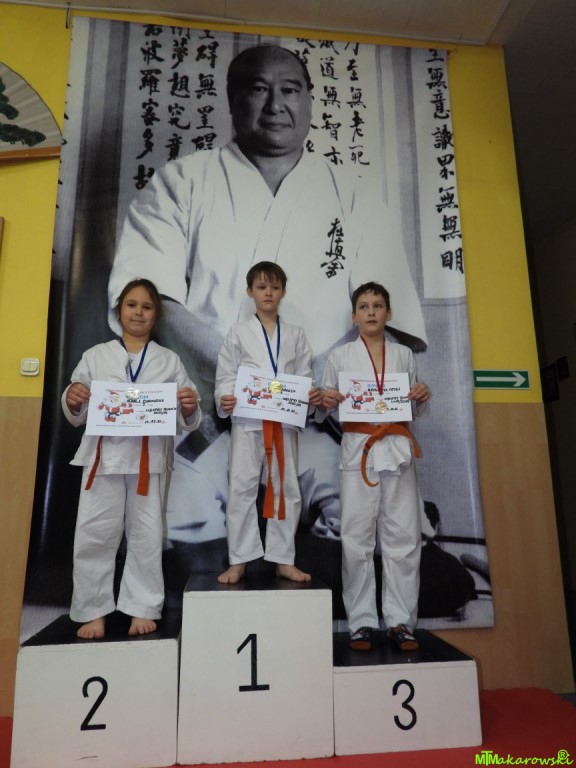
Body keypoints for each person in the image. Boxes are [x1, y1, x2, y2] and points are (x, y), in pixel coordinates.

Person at [107, 43, 427, 569]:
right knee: (165, 525)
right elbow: (150, 297)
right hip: (209, 416)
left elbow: (382, 320)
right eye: (259, 89)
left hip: (315, 417)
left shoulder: (355, 193)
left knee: (380, 521)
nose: (276, 104)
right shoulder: (181, 181)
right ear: (233, 99)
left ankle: (296, 554)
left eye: (290, 90)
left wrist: (300, 389)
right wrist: (246, 377)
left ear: (309, 100)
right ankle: (231, 561)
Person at [62, 279, 201, 639]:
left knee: (146, 534)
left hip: (147, 460)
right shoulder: (96, 356)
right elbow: (76, 405)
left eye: (147, 307)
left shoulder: (169, 360)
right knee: (95, 532)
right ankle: (93, 610)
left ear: (156, 315)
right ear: (119, 310)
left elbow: (188, 414)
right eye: (131, 304)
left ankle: (141, 606)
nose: (138, 312)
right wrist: (73, 398)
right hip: (103, 459)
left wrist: (189, 407)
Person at [319, 282, 429, 651]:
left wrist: (420, 396)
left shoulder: (403, 355)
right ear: (354, 316)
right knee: (356, 539)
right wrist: (326, 400)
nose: (371, 312)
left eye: (377, 305)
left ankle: (400, 622)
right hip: (358, 451)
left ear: (388, 313)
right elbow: (323, 407)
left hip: (397, 449)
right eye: (364, 306)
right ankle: (361, 622)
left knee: (403, 538)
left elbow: (414, 406)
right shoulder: (340, 357)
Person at [215, 261, 321, 584]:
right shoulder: (238, 332)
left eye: (275, 287)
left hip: (284, 422)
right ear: (250, 292)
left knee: (287, 488)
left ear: (283, 292)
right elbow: (226, 375)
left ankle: (283, 559)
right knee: (241, 488)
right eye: (262, 287)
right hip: (248, 421)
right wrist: (225, 397)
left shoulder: (296, 335)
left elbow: (304, 375)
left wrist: (309, 395)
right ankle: (239, 560)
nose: (269, 293)